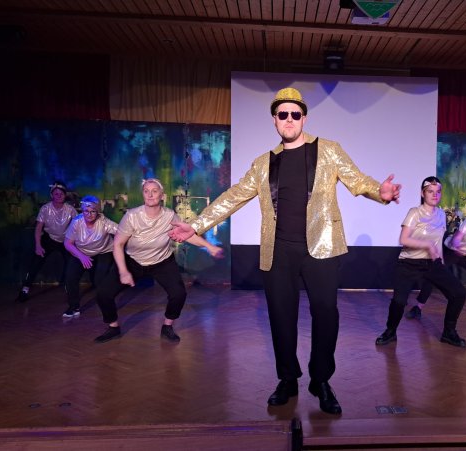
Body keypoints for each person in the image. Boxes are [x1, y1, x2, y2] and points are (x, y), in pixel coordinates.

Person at [168, 87, 401, 415]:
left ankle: (321, 380)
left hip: (322, 247)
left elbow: (357, 180)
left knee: (326, 314)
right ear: (275, 120)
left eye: (295, 114)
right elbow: (234, 196)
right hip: (278, 251)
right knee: (281, 318)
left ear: (304, 118)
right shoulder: (263, 163)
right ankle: (288, 379)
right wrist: (197, 225)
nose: (289, 119)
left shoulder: (329, 150)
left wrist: (380, 191)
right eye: (282, 114)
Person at [93, 178, 222, 344]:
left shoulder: (169, 215)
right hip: (133, 261)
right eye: (146, 191)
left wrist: (209, 246)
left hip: (162, 261)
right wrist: (124, 271)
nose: (150, 194)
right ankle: (113, 327)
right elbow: (118, 244)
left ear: (162, 195)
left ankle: (167, 326)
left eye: (154, 191)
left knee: (178, 294)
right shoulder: (132, 216)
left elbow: (187, 235)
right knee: (103, 294)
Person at [375, 176, 466, 348]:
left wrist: (440, 261)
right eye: (430, 191)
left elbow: (438, 241)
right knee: (399, 302)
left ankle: (449, 333)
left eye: (438, 192)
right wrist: (427, 245)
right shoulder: (414, 212)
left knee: (459, 293)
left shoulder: (441, 214)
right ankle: (390, 332)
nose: (435, 195)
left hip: (432, 263)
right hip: (409, 263)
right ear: (422, 193)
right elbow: (404, 239)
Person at [15, 181, 75, 302]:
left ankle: (70, 289)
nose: (59, 196)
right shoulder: (45, 208)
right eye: (56, 194)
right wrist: (38, 245)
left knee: (72, 263)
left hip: (65, 240)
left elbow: (78, 226)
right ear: (52, 195)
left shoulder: (71, 210)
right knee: (36, 262)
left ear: (65, 195)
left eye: (61, 194)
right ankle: (25, 289)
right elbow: (38, 228)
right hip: (49, 239)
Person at [61, 195, 119, 318]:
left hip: (103, 252)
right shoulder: (77, 222)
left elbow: (122, 231)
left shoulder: (104, 222)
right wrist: (82, 257)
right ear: (82, 211)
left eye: (93, 211)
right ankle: (74, 307)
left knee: (99, 280)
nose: (89, 214)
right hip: (81, 252)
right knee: (70, 276)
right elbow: (67, 243)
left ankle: (106, 305)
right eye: (86, 211)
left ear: (97, 212)